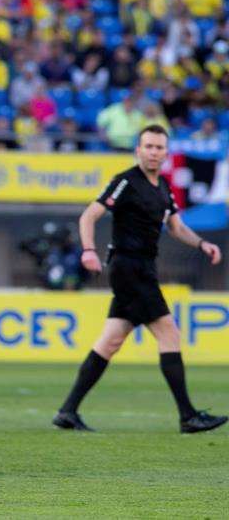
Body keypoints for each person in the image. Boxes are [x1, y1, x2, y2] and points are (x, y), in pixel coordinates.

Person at [53, 124, 228, 434]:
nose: (154, 152)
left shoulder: (163, 187)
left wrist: (202, 244)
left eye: (159, 147)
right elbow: (89, 216)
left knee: (110, 342)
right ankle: (187, 416)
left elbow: (175, 227)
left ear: (165, 152)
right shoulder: (125, 181)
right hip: (128, 268)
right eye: (148, 146)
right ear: (138, 149)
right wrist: (88, 251)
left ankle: (67, 411)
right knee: (169, 334)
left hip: (143, 268)